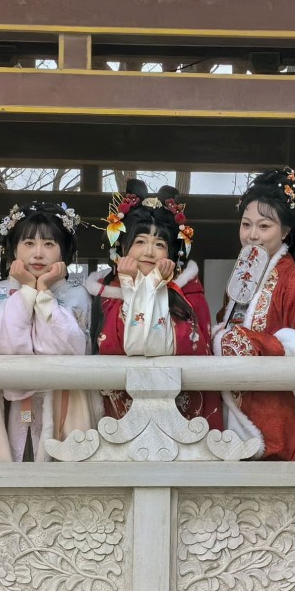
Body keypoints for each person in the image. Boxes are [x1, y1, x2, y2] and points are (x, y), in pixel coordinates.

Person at [213, 168, 295, 461]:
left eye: (264, 226)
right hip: (236, 405)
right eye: (246, 225)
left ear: (284, 231)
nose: (252, 235)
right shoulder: (239, 281)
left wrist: (249, 343)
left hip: (282, 411)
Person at [87, 179, 221, 429]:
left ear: (173, 253)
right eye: (140, 241)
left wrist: (151, 286)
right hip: (120, 413)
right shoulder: (106, 293)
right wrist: (131, 285)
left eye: (159, 244)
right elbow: (116, 346)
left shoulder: (189, 293)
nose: (149, 252)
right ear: (122, 248)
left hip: (182, 413)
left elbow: (191, 346)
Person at [0, 201, 94, 461]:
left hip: (61, 399)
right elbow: (5, 349)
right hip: (6, 402)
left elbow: (62, 349)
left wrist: (44, 293)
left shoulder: (77, 295)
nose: (38, 253)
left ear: (63, 251)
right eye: (29, 243)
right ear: (13, 248)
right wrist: (28, 291)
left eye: (49, 244)